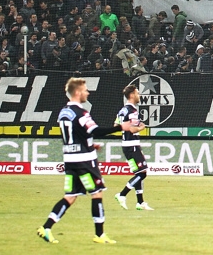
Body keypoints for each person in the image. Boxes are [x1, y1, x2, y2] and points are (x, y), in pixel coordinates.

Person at [37, 77, 143, 244]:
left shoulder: (64, 112)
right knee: (97, 192)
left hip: (71, 159)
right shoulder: (81, 113)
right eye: (85, 90)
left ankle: (46, 227)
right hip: (85, 162)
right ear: (78, 92)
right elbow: (96, 131)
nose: (88, 92)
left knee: (71, 196)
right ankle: (99, 234)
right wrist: (120, 127)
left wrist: (89, 145)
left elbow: (75, 135)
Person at [114, 85, 154, 211]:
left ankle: (140, 202)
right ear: (131, 95)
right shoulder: (132, 111)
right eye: (137, 93)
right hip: (132, 145)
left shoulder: (122, 111)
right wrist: (142, 127)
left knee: (139, 172)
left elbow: (116, 125)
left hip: (127, 145)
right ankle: (122, 194)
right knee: (142, 173)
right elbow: (132, 129)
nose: (139, 95)